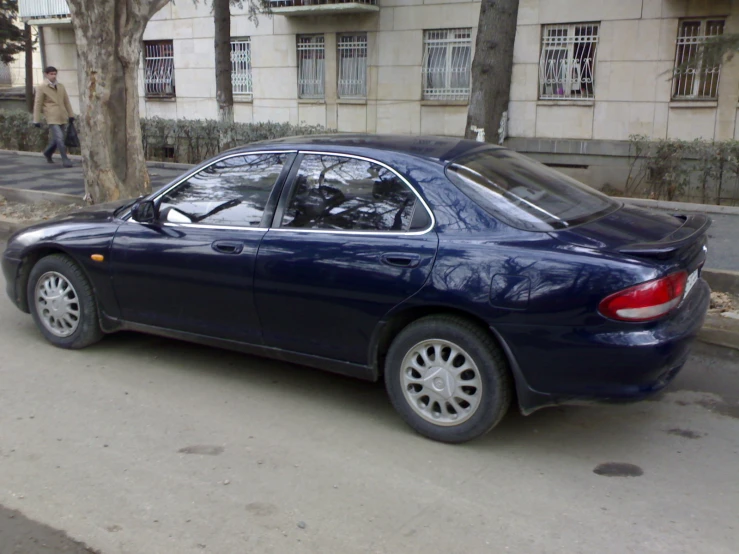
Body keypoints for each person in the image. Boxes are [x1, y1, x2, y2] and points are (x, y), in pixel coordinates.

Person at [33, 66, 75, 168]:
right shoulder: (42, 87)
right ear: (46, 74)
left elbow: (66, 101)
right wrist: (36, 120)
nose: (53, 76)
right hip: (51, 117)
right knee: (60, 138)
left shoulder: (60, 86)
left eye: (55, 74)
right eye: (51, 74)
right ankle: (65, 159)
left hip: (62, 115)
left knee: (57, 138)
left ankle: (47, 152)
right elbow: (38, 104)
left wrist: (71, 115)